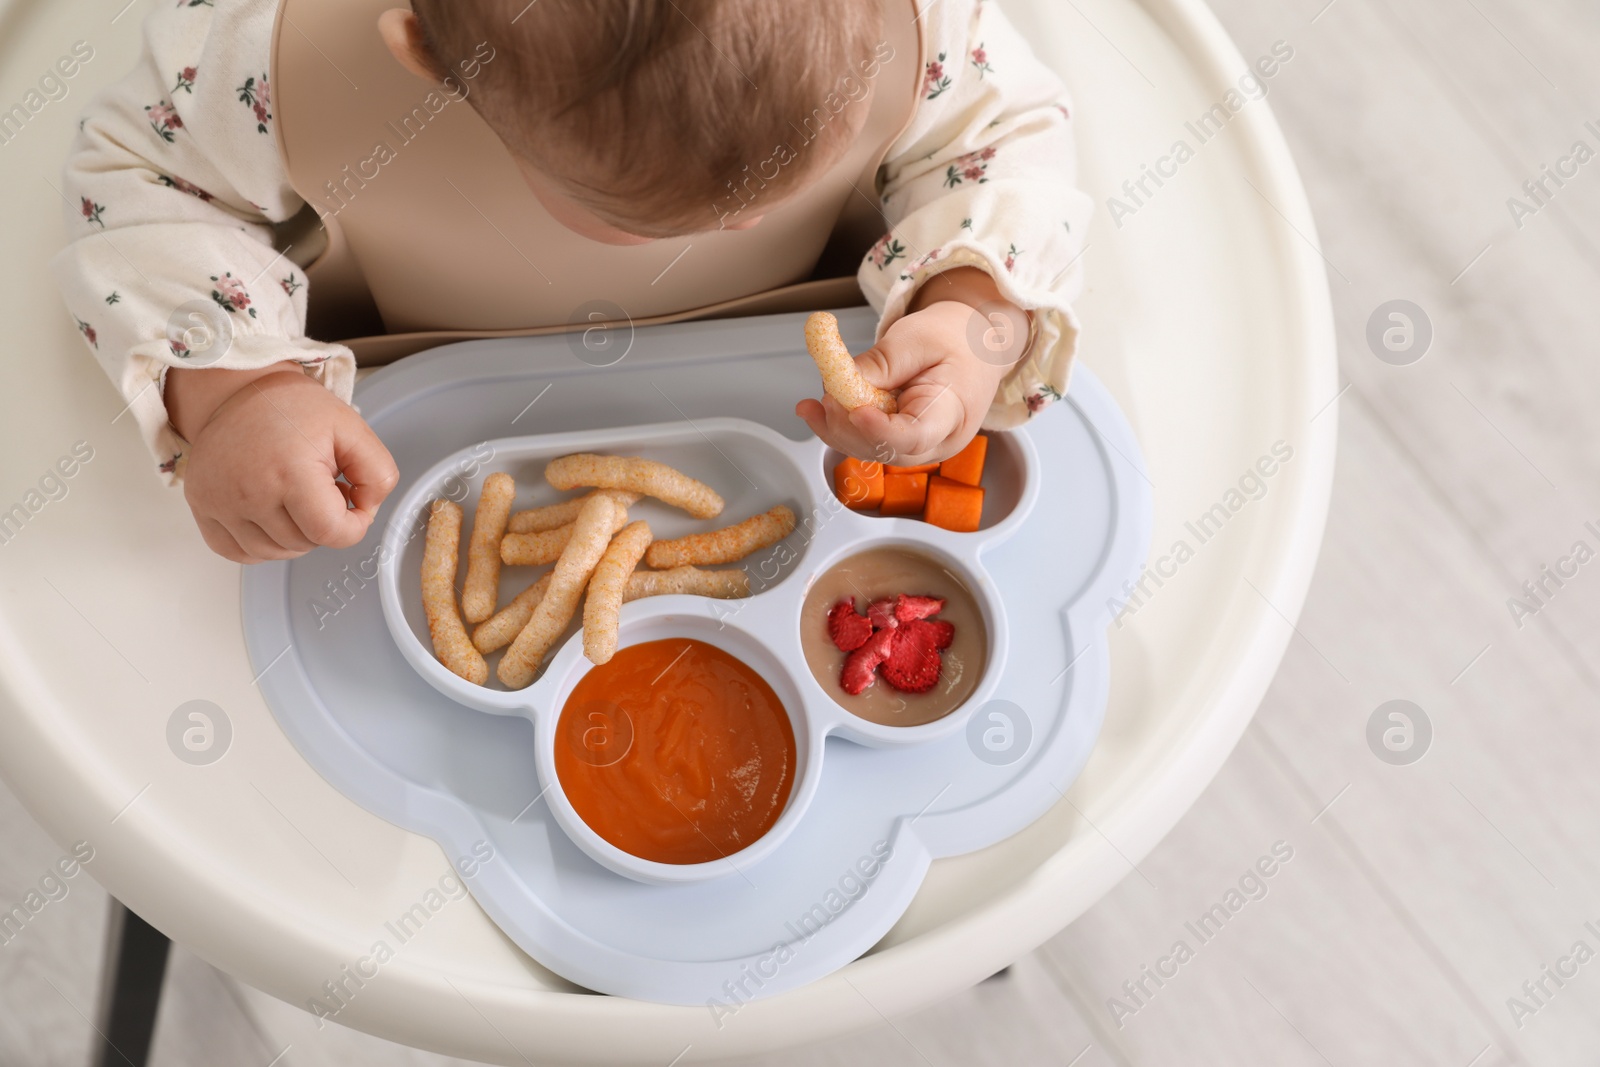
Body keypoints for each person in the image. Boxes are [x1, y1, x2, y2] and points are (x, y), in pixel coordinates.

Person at [53, 0, 1092, 563]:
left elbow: (1002, 142)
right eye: (635, 208)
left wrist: (972, 309)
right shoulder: (266, 56)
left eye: (791, 175)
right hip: (419, 397)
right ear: (424, 54)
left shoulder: (924, 19)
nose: (740, 225)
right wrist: (234, 390)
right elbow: (140, 183)